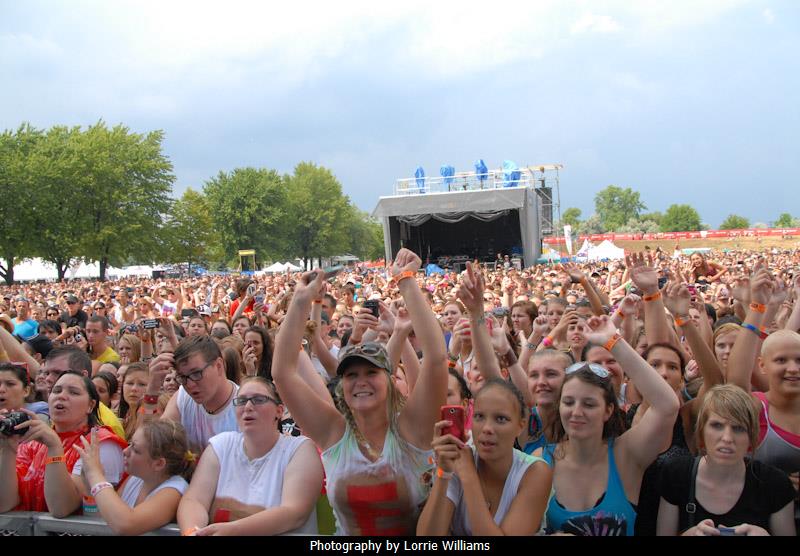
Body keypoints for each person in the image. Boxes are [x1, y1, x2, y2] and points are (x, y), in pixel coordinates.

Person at [272, 248, 448, 535]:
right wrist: (301, 300)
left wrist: (406, 279)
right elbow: (282, 373)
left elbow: (437, 359)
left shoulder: (413, 430)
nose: (360, 381)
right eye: (351, 375)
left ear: (390, 380)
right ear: (342, 385)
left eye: (371, 373)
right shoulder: (333, 433)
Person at [540, 315, 680, 536]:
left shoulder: (627, 455)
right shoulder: (542, 461)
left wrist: (613, 342)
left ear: (608, 410)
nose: (576, 412)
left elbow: (667, 405)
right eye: (568, 402)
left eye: (589, 404)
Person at [177, 377, 322, 536]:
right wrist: (192, 532)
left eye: (258, 400)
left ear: (279, 411)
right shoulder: (221, 445)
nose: (248, 406)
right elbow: (194, 500)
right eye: (241, 401)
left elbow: (294, 513)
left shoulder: (300, 449)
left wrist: (232, 531)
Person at [417, 378, 552, 535]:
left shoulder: (535, 472)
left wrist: (468, 475)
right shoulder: (457, 460)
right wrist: (443, 472)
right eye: (479, 416)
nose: (487, 428)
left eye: (501, 419)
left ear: (520, 426)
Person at [657, 384, 796, 536]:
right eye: (717, 425)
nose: (727, 438)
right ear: (701, 431)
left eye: (738, 428)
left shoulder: (775, 484)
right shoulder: (676, 475)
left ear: (752, 438)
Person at [0, 372, 127, 516]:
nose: (61, 396)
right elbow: (4, 504)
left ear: (90, 405)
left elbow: (61, 508)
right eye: (56, 391)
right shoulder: (32, 443)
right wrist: (8, 449)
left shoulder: (100, 444)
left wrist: (54, 448)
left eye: (73, 392)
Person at [73, 420, 193, 535]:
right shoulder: (136, 478)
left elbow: (125, 525)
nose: (125, 451)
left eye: (135, 449)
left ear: (159, 464)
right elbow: (108, 518)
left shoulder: (174, 490)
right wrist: (89, 490)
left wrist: (95, 475)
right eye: (130, 444)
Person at [145, 335, 239, 451]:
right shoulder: (183, 397)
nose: (189, 385)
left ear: (219, 366)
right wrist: (152, 390)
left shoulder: (246, 406)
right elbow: (152, 441)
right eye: (182, 377)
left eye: (196, 374)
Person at [41, 346, 126, 439]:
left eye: (57, 373)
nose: (48, 379)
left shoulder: (107, 426)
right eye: (46, 373)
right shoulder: (58, 411)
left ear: (83, 375)